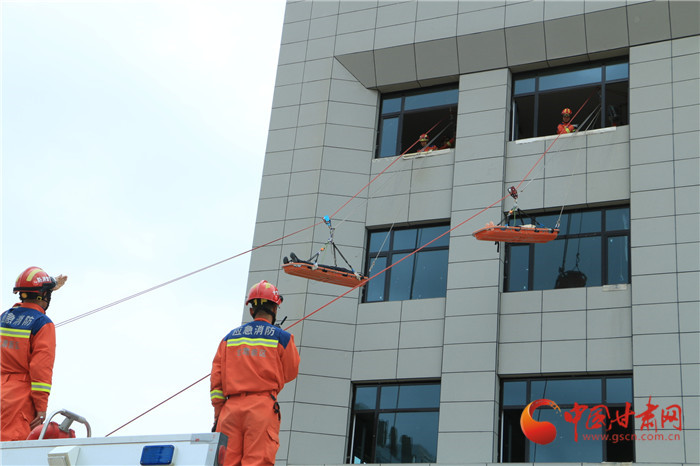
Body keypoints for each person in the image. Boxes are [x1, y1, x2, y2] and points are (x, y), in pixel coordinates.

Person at [210, 280, 300, 466]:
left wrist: (219, 416)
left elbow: (216, 385)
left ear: (251, 310)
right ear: (275, 309)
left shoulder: (229, 338)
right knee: (257, 461)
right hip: (261, 408)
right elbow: (290, 372)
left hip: (230, 411)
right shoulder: (283, 338)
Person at [1, 266, 67, 441]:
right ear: (43, 295)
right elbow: (40, 369)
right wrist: (41, 407)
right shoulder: (42, 324)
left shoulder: (4, 318)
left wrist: (50, 285)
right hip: (19, 400)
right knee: (11, 449)